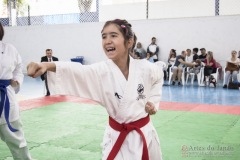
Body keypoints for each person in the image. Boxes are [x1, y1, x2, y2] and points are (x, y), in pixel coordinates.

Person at [27, 19, 163, 160]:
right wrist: (47, 66)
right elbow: (78, 71)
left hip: (144, 135)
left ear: (129, 42)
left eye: (113, 35)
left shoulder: (145, 68)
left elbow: (159, 77)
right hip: (117, 138)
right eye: (104, 36)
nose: (107, 41)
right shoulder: (101, 71)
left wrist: (153, 102)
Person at [0, 22, 32, 160]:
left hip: (6, 98)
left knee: (18, 143)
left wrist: (17, 81)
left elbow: (19, 68)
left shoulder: (9, 49)